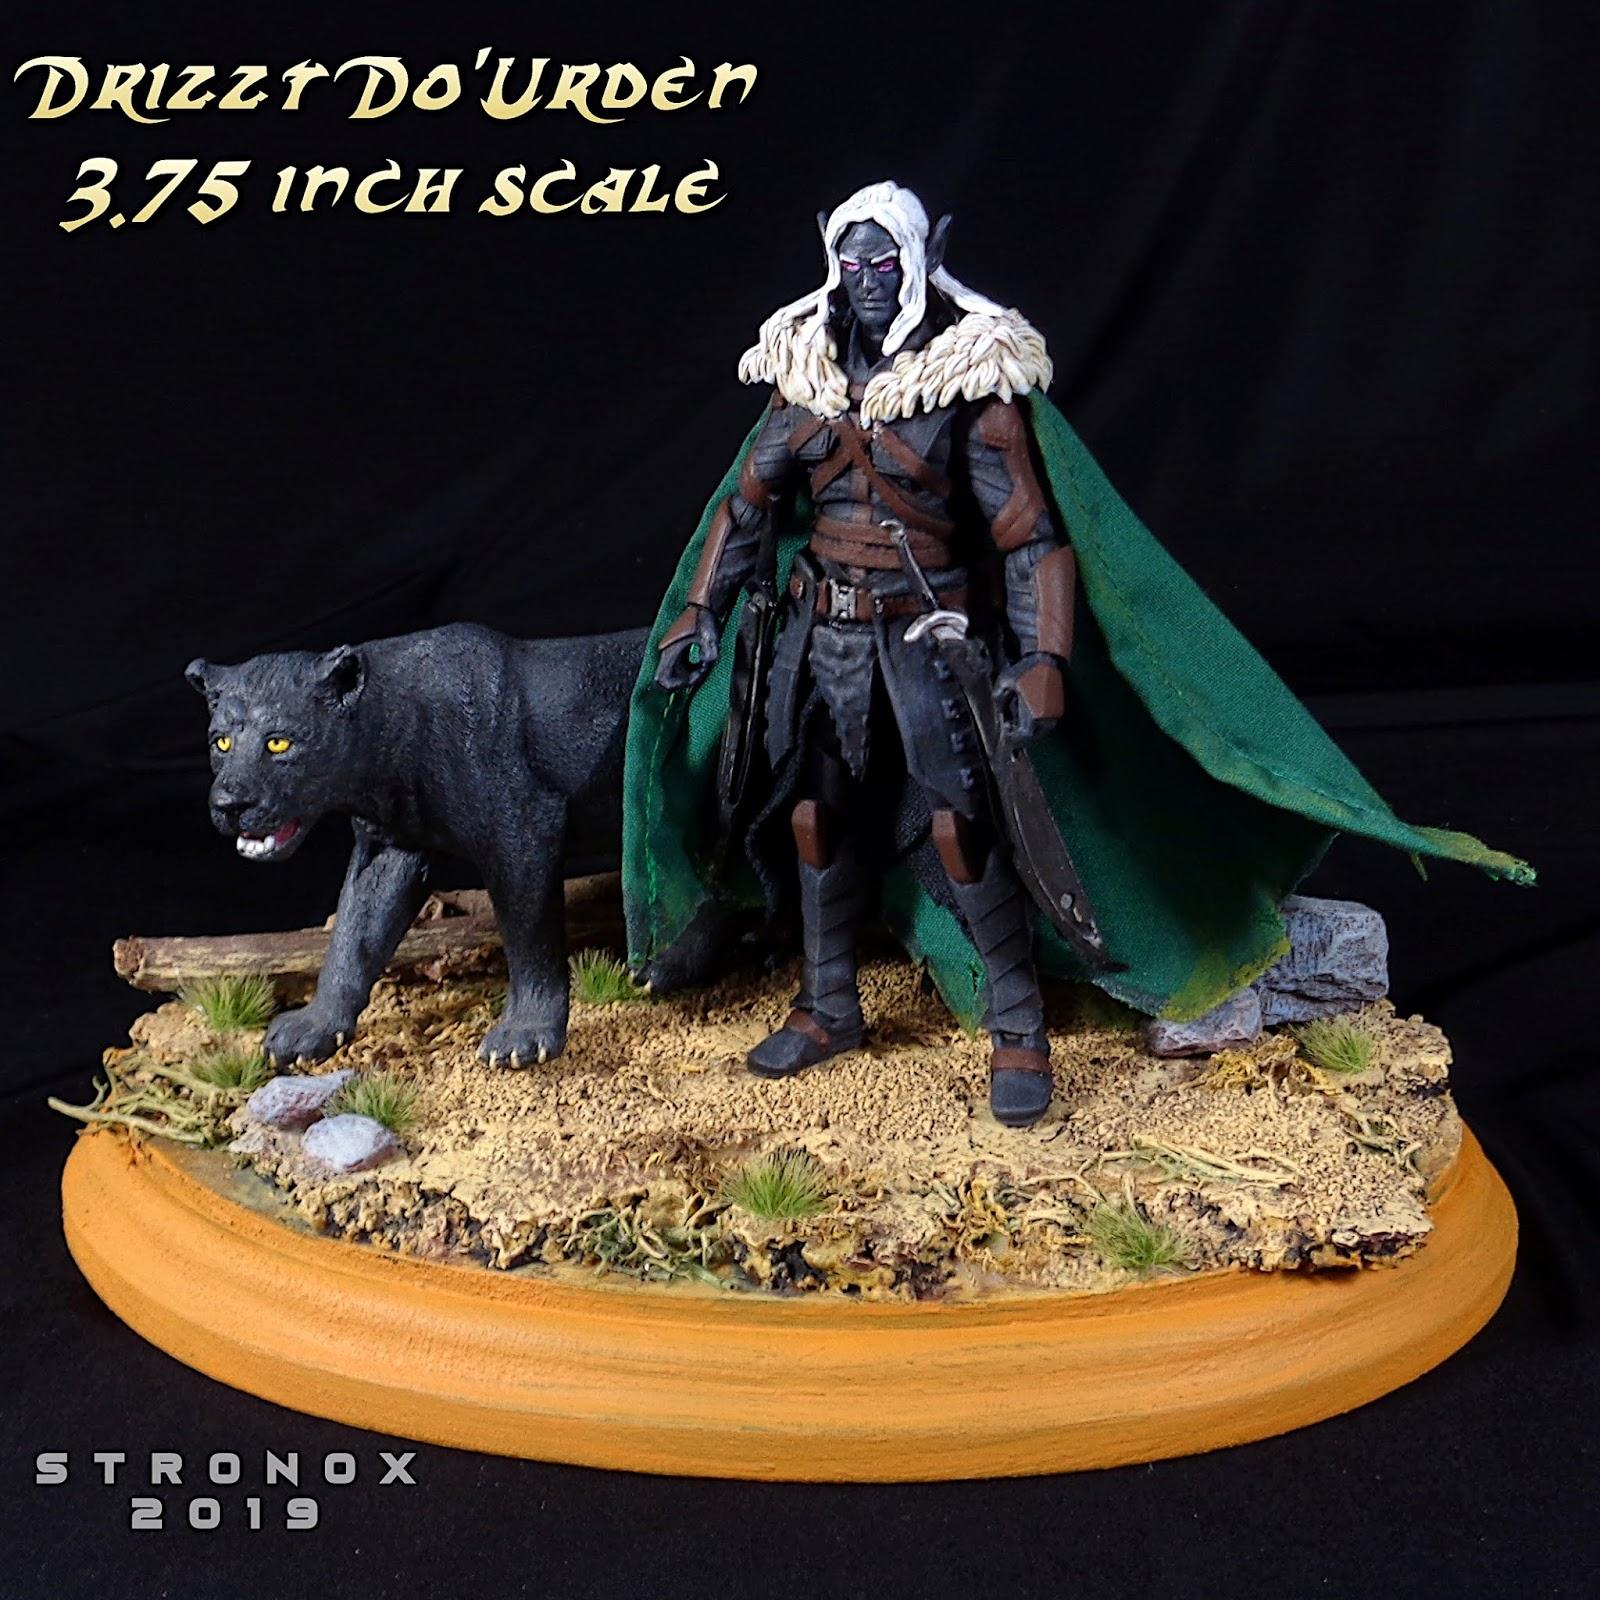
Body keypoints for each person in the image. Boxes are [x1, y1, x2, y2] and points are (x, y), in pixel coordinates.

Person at [625, 180, 1531, 1131]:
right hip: (825, 641)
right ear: (829, 259)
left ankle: (1018, 1027)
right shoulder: (803, 377)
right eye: (851, 261)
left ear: (924, 255)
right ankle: (827, 1005)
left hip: (931, 643)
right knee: (815, 817)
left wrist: (1044, 659)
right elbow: (747, 509)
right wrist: (699, 613)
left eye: (884, 260)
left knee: (964, 829)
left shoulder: (970, 384)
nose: (868, 279)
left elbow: (1029, 539)